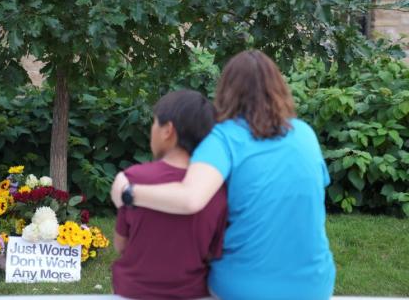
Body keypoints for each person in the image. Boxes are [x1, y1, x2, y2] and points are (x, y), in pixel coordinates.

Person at [111, 50, 336, 300]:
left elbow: (190, 199)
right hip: (315, 286)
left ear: (227, 90)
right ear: (278, 87)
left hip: (243, 288)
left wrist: (129, 192)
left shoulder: (223, 138)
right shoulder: (305, 134)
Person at [112, 89, 227, 300]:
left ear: (167, 131)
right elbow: (213, 253)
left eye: (155, 122)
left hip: (133, 292)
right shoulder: (216, 191)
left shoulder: (133, 178)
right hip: (192, 292)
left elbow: (120, 244)